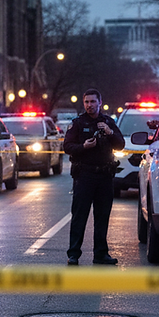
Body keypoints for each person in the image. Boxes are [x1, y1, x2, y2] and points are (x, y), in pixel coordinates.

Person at [64, 89, 124, 265]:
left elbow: (120, 145)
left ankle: (100, 254)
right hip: (85, 175)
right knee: (79, 216)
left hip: (105, 176)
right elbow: (67, 146)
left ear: (100, 102)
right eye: (87, 102)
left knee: (102, 216)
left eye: (92, 102)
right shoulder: (77, 123)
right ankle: (73, 254)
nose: (89, 105)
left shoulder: (107, 122)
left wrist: (109, 132)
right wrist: (83, 147)